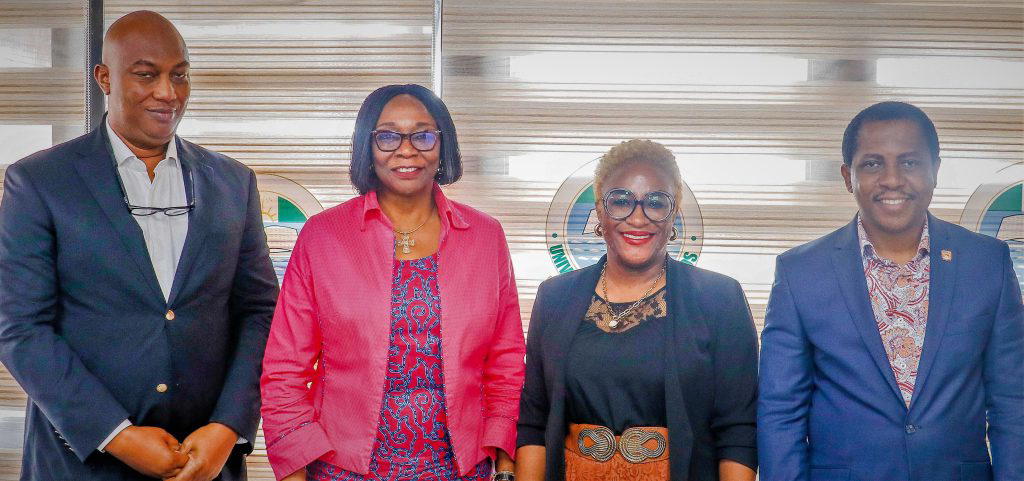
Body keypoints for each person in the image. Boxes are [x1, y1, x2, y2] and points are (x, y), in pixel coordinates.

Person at [0, 10, 278, 481]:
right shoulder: (39, 182)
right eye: (147, 75)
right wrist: (117, 435)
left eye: (180, 75)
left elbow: (260, 313)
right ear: (104, 78)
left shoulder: (233, 183)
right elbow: (20, 329)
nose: (168, 93)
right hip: (79, 463)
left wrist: (229, 427)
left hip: (205, 462)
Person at [260, 84, 525, 481]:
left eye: (423, 135)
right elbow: (285, 369)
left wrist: (505, 465)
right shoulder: (323, 236)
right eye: (387, 136)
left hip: (460, 471)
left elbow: (506, 363)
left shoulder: (485, 237)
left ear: (443, 145)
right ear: (367, 148)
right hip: (342, 470)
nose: (406, 150)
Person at [758, 101, 1024, 481]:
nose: (893, 179)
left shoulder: (987, 264)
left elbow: (1013, 401)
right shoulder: (800, 272)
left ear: (935, 170)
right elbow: (780, 411)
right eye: (872, 164)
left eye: (910, 162)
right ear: (848, 177)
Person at [515, 139, 758, 481]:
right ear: (600, 210)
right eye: (621, 201)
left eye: (656, 203)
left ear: (674, 213)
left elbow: (738, 433)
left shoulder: (720, 299)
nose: (638, 218)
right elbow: (534, 421)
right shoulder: (554, 297)